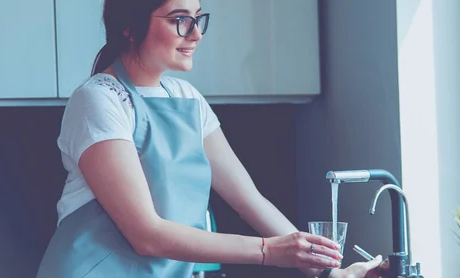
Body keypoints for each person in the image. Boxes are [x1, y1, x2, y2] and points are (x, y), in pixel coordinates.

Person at [36, 0, 387, 277]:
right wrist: (269, 251)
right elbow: (146, 234)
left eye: (198, 18)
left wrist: (328, 271)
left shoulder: (186, 98)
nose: (196, 34)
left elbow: (248, 200)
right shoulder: (99, 99)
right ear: (130, 26)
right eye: (179, 19)